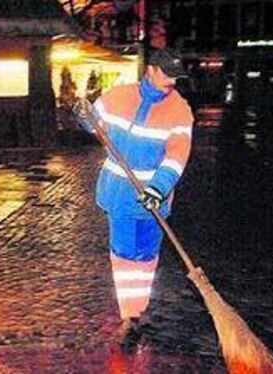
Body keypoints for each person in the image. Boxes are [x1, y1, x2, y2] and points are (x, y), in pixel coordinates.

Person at [79, 48, 194, 346]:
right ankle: (129, 316)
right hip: (119, 194)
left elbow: (177, 155)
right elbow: (94, 120)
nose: (172, 81)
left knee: (146, 256)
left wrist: (159, 188)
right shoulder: (119, 96)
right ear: (151, 70)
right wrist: (84, 118)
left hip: (155, 199)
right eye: (167, 74)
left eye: (176, 77)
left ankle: (137, 308)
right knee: (125, 255)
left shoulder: (180, 110)